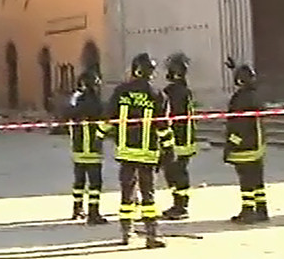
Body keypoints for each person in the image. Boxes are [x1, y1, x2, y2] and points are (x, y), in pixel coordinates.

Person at [97, 53, 175, 249]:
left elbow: (108, 118)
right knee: (148, 195)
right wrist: (168, 148)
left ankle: (126, 233)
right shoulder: (158, 95)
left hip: (125, 152)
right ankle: (152, 235)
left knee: (126, 193)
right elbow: (163, 126)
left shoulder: (121, 92)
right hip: (148, 152)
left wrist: (98, 137)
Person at [224, 57, 269, 224]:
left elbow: (239, 124)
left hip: (244, 147)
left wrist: (230, 144)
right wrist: (235, 68)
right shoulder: (255, 95)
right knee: (257, 179)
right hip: (257, 144)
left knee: (246, 180)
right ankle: (261, 209)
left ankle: (248, 211)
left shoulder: (240, 98)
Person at [65, 68, 108, 225]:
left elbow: (67, 113)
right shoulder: (96, 101)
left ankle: (77, 208)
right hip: (93, 146)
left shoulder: (76, 99)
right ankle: (93, 212)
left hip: (77, 146)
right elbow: (105, 118)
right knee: (95, 183)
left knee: (79, 180)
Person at [160, 53, 197, 221]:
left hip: (176, 139)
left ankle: (180, 206)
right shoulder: (185, 90)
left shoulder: (172, 92)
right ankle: (180, 204)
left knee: (174, 172)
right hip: (187, 138)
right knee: (178, 171)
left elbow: (167, 116)